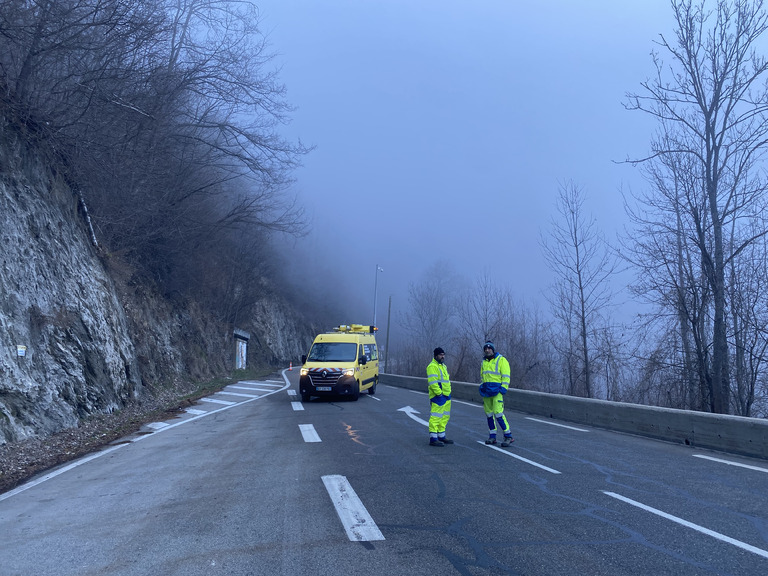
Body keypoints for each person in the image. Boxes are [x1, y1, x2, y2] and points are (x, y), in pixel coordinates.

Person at [479, 341, 514, 446]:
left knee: (498, 413)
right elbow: (482, 375)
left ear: (493, 350)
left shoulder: (501, 360)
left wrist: (503, 388)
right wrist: (482, 386)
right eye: (485, 349)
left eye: (489, 349)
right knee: (489, 414)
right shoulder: (484, 362)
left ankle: (508, 436)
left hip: (497, 391)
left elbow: (506, 375)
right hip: (487, 391)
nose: (487, 350)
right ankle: (492, 436)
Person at [426, 347, 453, 446]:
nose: (443, 356)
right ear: (436, 355)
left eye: (443, 354)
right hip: (439, 396)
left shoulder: (443, 366)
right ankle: (433, 438)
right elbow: (433, 382)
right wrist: (439, 393)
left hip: (446, 395)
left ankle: (441, 436)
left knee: (444, 417)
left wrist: (448, 393)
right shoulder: (432, 366)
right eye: (441, 354)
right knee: (435, 417)